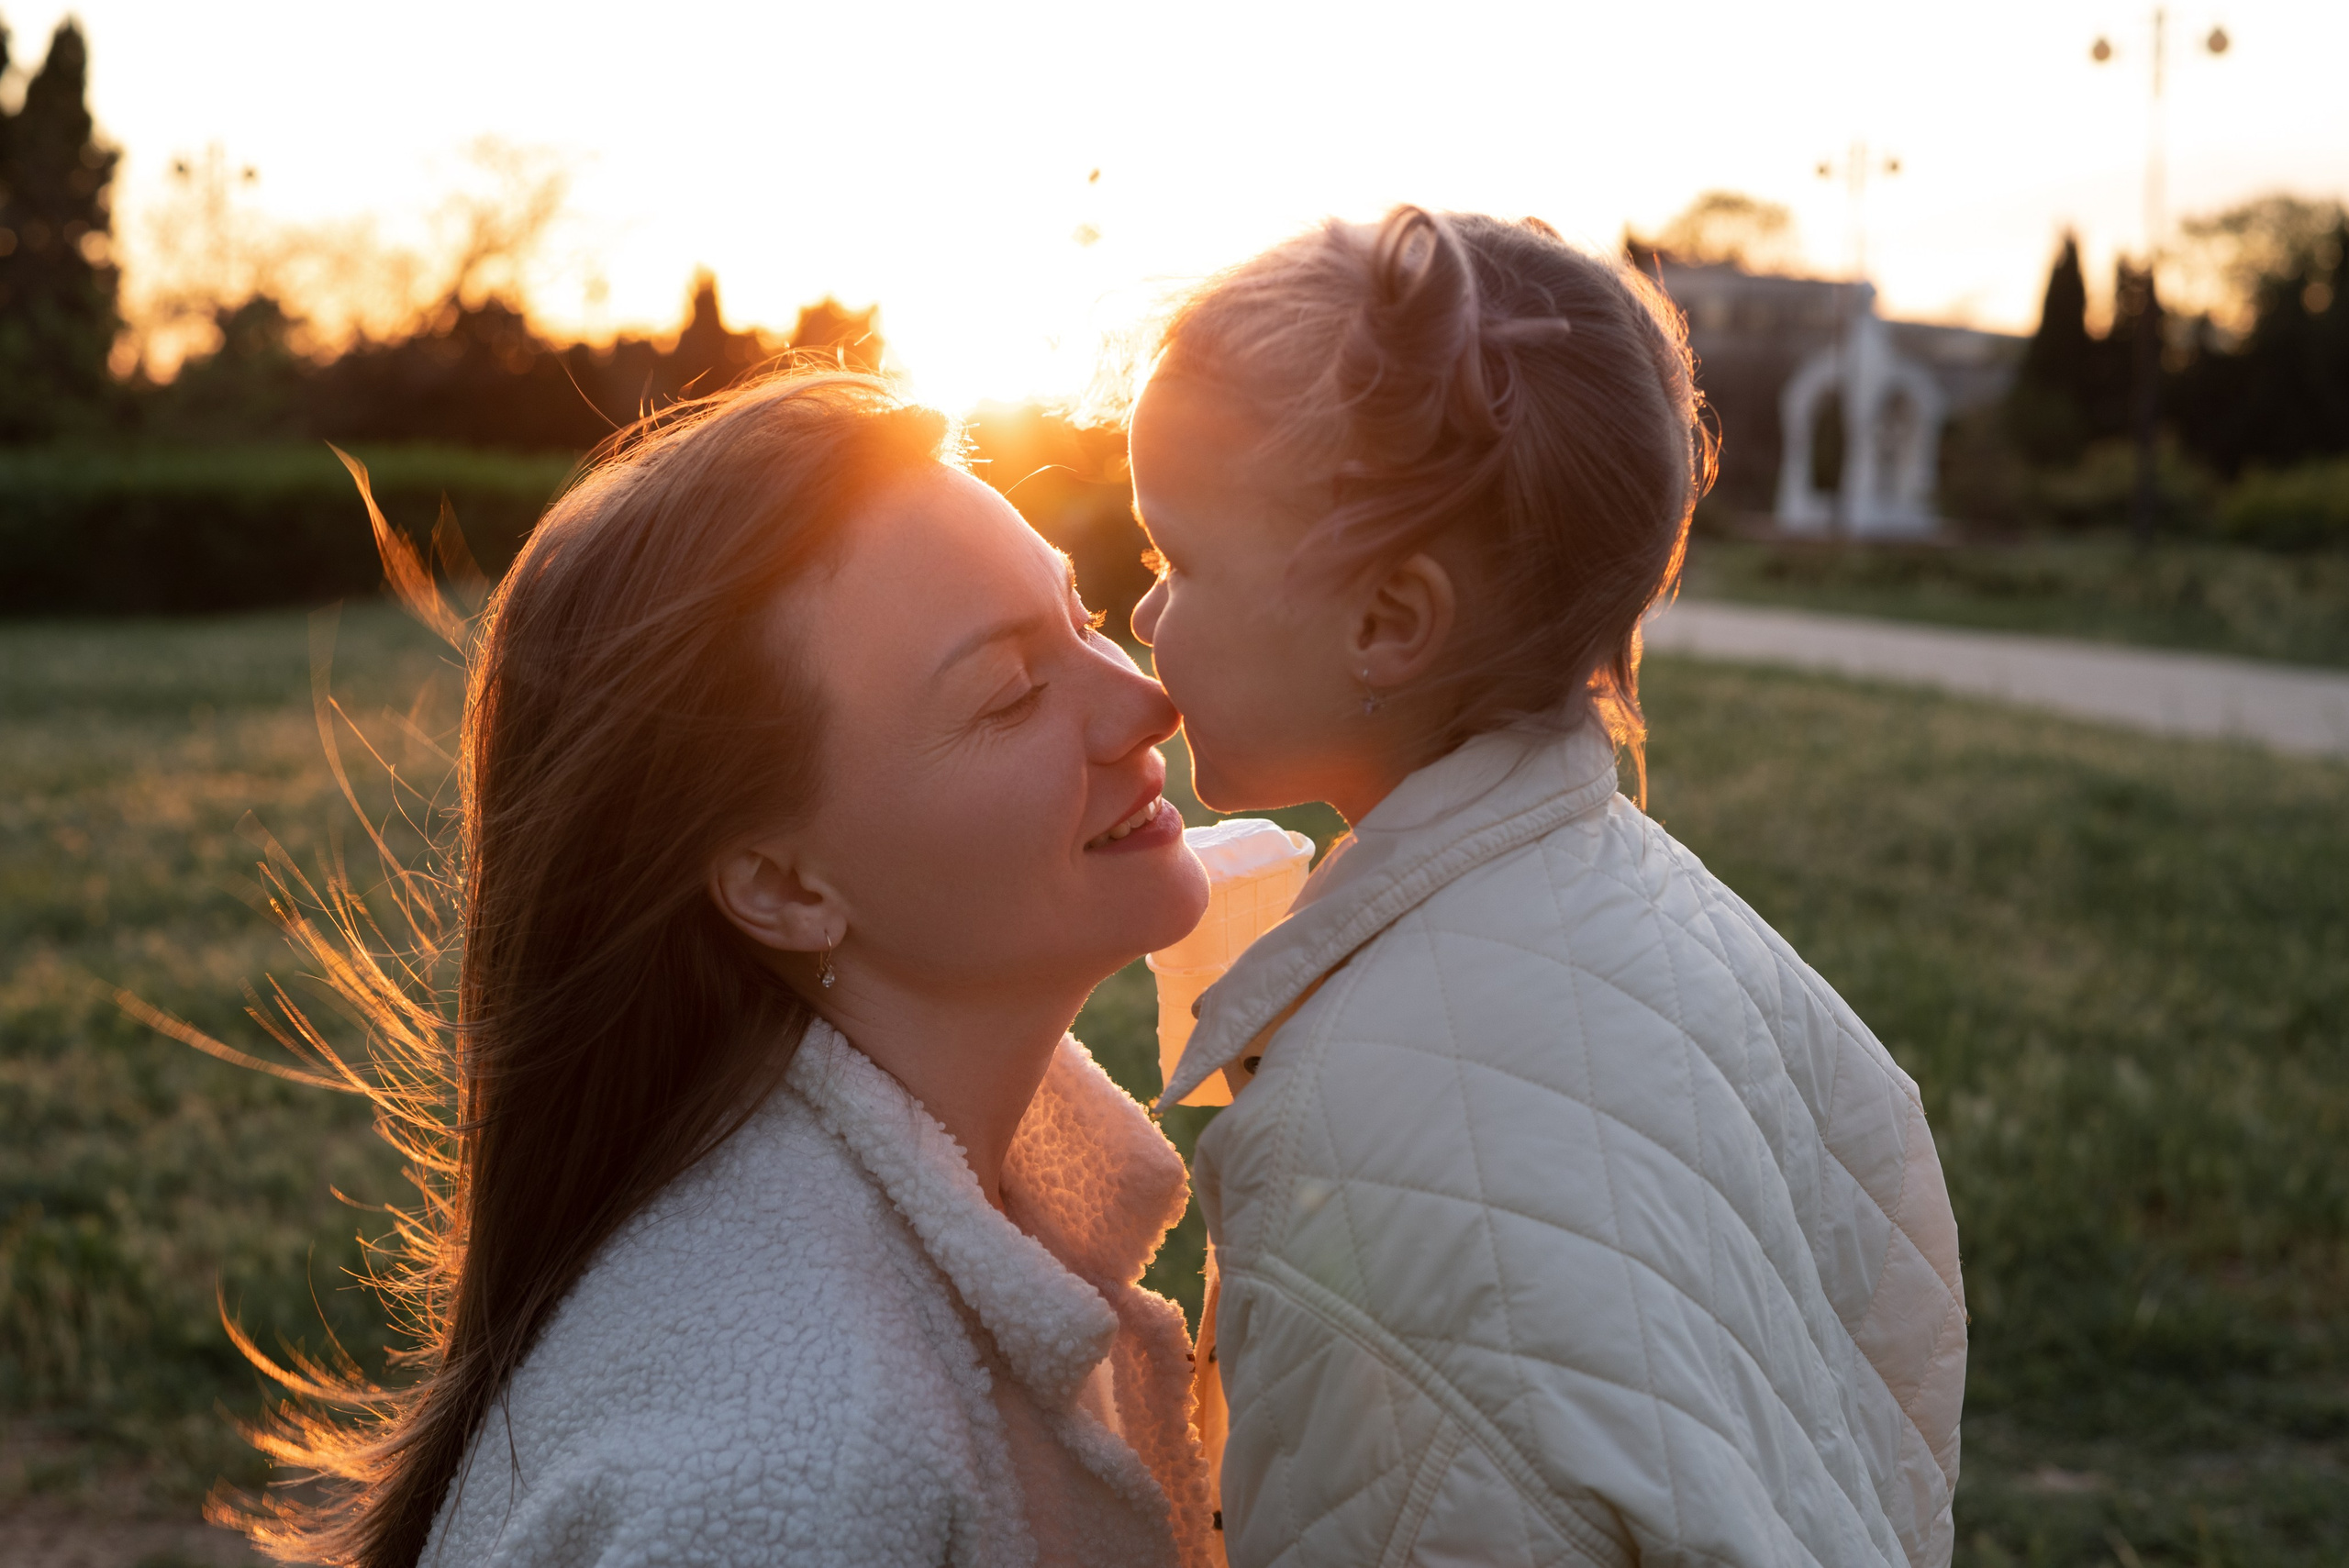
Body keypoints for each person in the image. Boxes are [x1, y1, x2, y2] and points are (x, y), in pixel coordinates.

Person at [221, 373, 1221, 1568]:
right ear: (784, 886)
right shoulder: (794, 1462)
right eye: (1010, 695)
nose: (1146, 701)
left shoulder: (931, 1243)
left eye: (1084, 615)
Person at [1127, 206, 1967, 1568]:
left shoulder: (1344, 1138)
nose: (1145, 616)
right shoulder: (1729, 951)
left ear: (1390, 621)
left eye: (1177, 559)